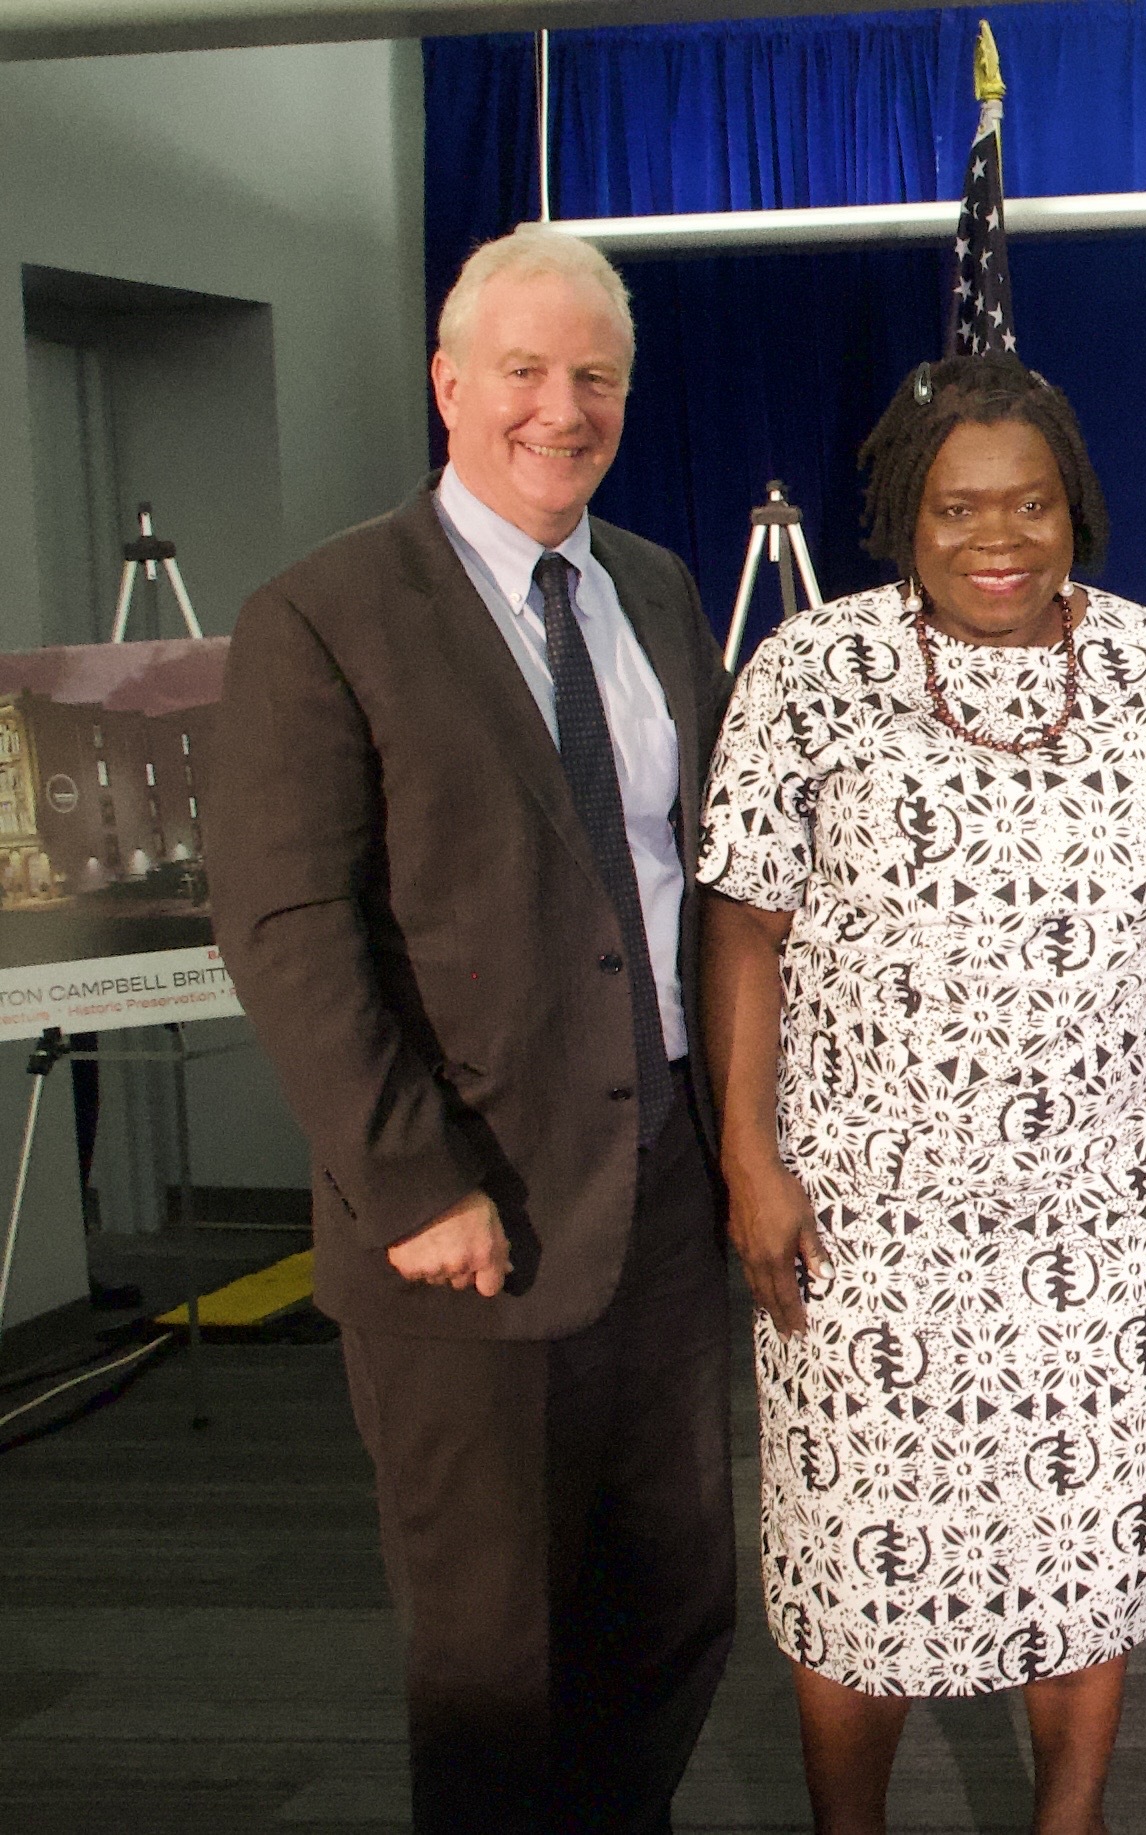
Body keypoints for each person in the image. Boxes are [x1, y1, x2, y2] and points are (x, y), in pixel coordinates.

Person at [694, 353, 1146, 1835]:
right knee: (856, 1550)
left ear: (1073, 506)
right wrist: (747, 1159)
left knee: (1084, 1545)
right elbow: (744, 921)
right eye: (955, 508)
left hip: (1103, 1211)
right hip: (864, 1218)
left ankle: (1066, 1820)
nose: (994, 537)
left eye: (1029, 503)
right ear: (903, 514)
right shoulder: (808, 671)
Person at [207, 225, 733, 1833]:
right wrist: (411, 1177)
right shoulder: (321, 615)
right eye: (524, 372)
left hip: (663, 1192)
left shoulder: (654, 586)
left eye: (595, 378)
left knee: (674, 1602)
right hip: (467, 1213)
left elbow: (687, 882)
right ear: (448, 384)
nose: (560, 410)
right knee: (495, 1658)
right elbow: (289, 927)